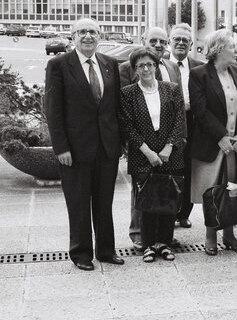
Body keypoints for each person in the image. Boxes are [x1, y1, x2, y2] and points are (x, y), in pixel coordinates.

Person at [44, 18, 124, 271]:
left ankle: (106, 250)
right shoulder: (58, 65)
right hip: (75, 149)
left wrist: (119, 142)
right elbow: (53, 110)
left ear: (99, 36)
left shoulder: (110, 64)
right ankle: (81, 254)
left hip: (106, 147)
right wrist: (61, 148)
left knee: (104, 201)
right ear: (73, 37)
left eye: (93, 32)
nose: (88, 36)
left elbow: (115, 108)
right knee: (78, 203)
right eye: (82, 32)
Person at [189, 29, 237, 255]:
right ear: (218, 50)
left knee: (234, 188)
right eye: (232, 47)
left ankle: (229, 234)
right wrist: (220, 137)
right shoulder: (199, 74)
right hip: (213, 144)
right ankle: (210, 235)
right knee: (212, 191)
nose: (236, 51)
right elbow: (200, 111)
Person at [119, 47, 186, 262]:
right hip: (143, 155)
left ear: (156, 66)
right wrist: (148, 152)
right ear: (135, 69)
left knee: (168, 201)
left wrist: (168, 148)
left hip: (170, 154)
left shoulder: (172, 89)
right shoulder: (128, 93)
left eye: (150, 64)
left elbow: (179, 121)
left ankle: (165, 243)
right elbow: (128, 126)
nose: (146, 68)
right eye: (141, 65)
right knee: (146, 202)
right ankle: (148, 245)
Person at [163, 23, 205, 229]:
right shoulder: (160, 64)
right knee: (171, 169)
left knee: (190, 169)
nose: (180, 43)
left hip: (193, 123)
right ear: (169, 42)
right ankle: (168, 213)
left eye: (185, 40)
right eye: (176, 39)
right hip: (167, 125)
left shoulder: (199, 66)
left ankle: (184, 213)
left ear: (191, 44)